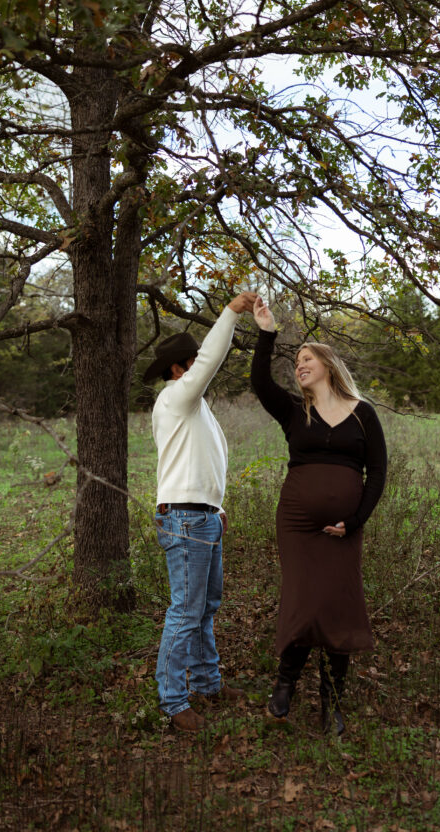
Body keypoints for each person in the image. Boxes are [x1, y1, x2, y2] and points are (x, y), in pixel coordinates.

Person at [251, 296, 387, 735]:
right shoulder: (294, 410)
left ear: (327, 364)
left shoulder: (363, 414)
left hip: (343, 528)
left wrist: (355, 520)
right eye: (296, 362)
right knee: (303, 598)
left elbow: (378, 473)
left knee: (338, 606)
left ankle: (333, 705)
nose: (299, 366)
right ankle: (285, 686)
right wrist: (267, 332)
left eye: (306, 359)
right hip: (297, 524)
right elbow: (259, 383)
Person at [145, 291, 256, 732]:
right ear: (178, 369)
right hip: (186, 519)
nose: (200, 367)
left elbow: (202, 459)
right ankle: (173, 702)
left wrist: (218, 505)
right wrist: (230, 312)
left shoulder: (195, 406)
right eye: (192, 362)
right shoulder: (176, 398)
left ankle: (208, 684)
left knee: (206, 606)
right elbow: (211, 358)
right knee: (185, 612)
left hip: (202, 515)